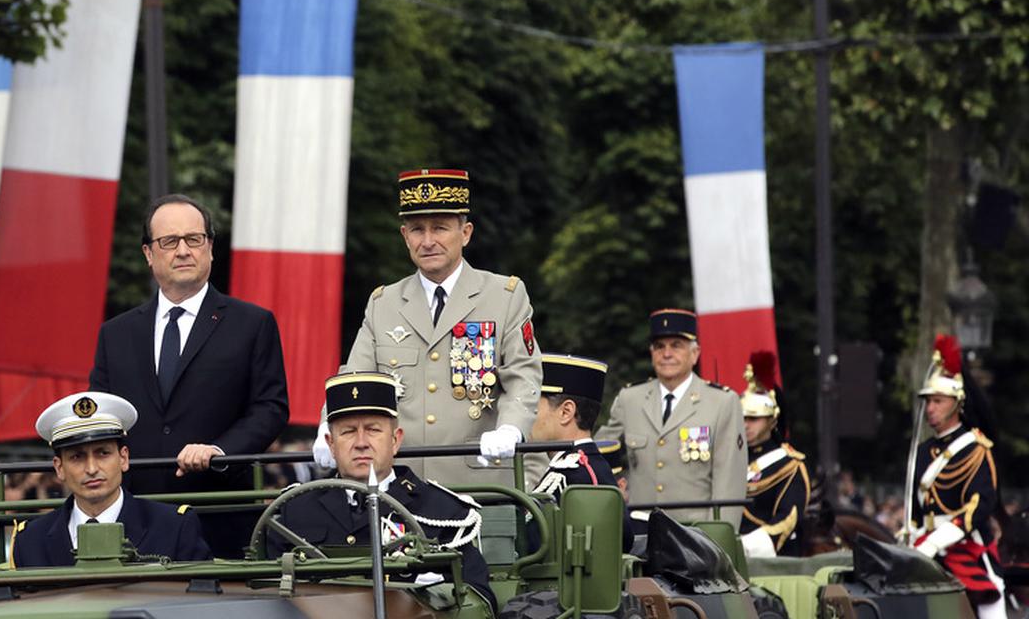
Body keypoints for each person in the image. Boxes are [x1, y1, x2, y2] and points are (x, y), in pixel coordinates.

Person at [318, 169, 542, 488]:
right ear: (404, 236)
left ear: (465, 233)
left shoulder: (504, 296)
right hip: (401, 487)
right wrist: (328, 422)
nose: (428, 241)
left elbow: (523, 376)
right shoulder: (384, 303)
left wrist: (512, 429)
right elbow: (356, 378)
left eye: (440, 228)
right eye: (417, 229)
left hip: (479, 482)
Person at [90, 194, 289, 498]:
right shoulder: (116, 334)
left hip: (219, 505)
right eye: (169, 241)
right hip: (136, 509)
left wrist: (220, 451)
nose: (183, 251)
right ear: (148, 252)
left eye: (194, 239)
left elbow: (270, 408)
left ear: (210, 247)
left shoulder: (252, 323)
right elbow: (102, 416)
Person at [271, 372, 495, 612]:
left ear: (395, 440)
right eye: (347, 431)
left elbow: (480, 597)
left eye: (373, 430)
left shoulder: (443, 511)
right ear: (331, 444)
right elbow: (264, 593)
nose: (361, 442)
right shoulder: (296, 510)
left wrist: (438, 595)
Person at [11, 391, 212, 567]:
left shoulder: (173, 527)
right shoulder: (29, 540)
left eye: (103, 453)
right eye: (77, 457)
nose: (91, 469)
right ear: (59, 467)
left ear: (123, 458)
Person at [597, 308, 745, 528]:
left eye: (676, 345)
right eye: (659, 347)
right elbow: (599, 453)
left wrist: (722, 537)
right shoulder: (631, 399)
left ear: (695, 354)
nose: (666, 354)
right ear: (651, 353)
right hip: (641, 531)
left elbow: (729, 482)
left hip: (695, 533)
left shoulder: (722, 402)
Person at [908, 335, 1005, 619]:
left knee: (991, 599)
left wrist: (937, 540)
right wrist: (912, 533)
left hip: (964, 544)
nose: (931, 409)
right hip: (922, 544)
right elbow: (917, 506)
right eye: (928, 402)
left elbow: (980, 505)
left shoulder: (975, 449)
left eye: (937, 401)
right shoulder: (923, 451)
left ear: (956, 403)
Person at [525, 353, 633, 552]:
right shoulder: (582, 469)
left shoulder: (579, 476)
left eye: (533, 406)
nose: (526, 415)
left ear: (566, 412)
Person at [738, 351, 809, 558]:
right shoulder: (729, 459)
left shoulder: (790, 465)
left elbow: (788, 518)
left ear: (772, 420)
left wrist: (743, 548)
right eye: (742, 418)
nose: (745, 425)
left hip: (768, 560)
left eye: (754, 419)